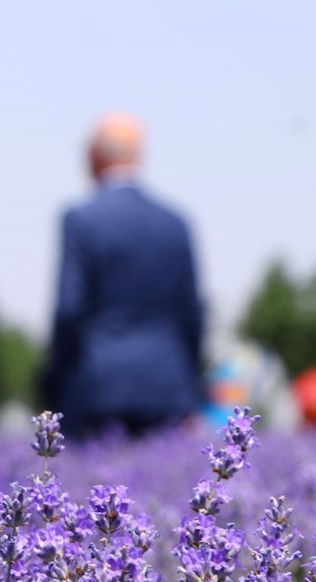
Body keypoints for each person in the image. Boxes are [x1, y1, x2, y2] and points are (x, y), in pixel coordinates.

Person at [44, 113, 204, 439]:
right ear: (139, 157)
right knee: (164, 487)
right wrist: (191, 387)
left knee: (92, 486)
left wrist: (55, 384)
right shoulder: (175, 223)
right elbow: (193, 313)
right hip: (166, 388)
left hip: (97, 388)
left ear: (95, 156)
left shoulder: (81, 219)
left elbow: (68, 310)